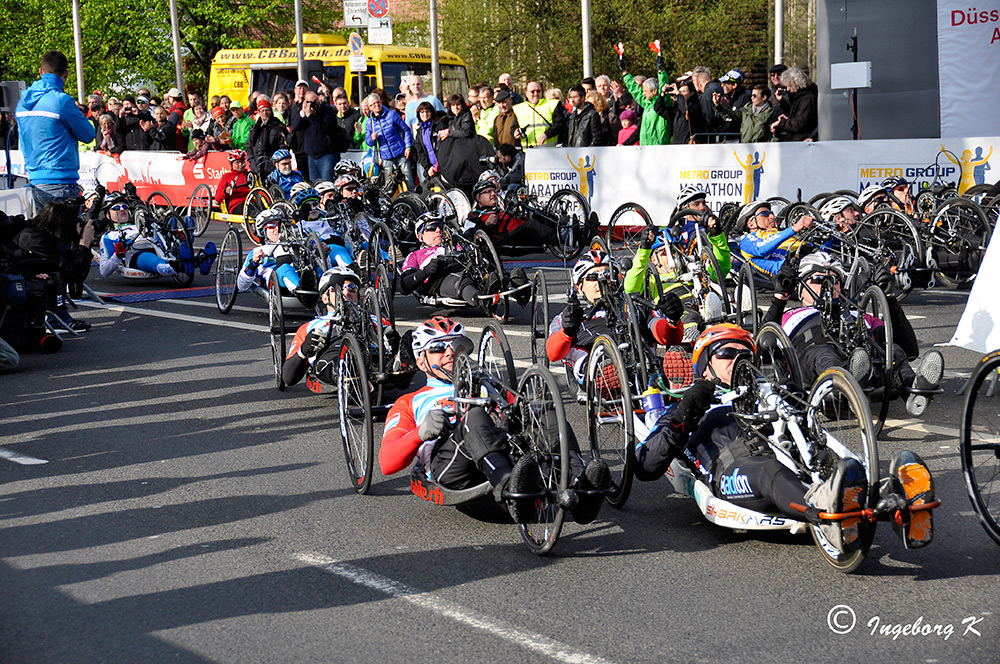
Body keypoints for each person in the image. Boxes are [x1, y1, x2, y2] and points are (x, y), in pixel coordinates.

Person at [632, 324, 937, 554]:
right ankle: (825, 511)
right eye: (727, 353)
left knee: (844, 466)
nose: (738, 361)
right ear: (705, 364)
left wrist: (798, 399)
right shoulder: (686, 405)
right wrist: (685, 413)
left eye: (745, 355)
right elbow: (646, 465)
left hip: (794, 457)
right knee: (767, 471)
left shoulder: (765, 393)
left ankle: (900, 501)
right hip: (733, 470)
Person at [380, 316, 611, 525]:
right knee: (474, 414)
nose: (450, 352)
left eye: (456, 345)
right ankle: (507, 486)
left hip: (504, 451)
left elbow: (520, 414)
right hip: (453, 467)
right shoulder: (410, 402)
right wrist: (420, 432)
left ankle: (580, 486)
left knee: (542, 411)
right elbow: (386, 463)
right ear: (422, 362)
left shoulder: (488, 385)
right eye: (438, 348)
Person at [765, 252, 944, 417]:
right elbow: (763, 350)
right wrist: (779, 297)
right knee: (825, 352)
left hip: (864, 365)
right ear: (801, 288)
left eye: (834, 280)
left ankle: (915, 389)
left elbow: (909, 349)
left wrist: (889, 296)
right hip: (812, 368)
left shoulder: (858, 314)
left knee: (893, 350)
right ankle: (847, 386)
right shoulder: (788, 316)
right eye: (818, 279)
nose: (827, 285)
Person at [547, 249, 684, 387]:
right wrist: (567, 332)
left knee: (673, 360)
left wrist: (673, 319)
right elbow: (553, 354)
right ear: (579, 286)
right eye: (592, 277)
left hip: (643, 365)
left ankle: (673, 391)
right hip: (596, 367)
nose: (601, 281)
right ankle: (611, 381)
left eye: (607, 274)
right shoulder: (568, 317)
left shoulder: (635, 307)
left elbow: (667, 336)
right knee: (607, 366)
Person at [15, 51, 96, 206]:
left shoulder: (22, 102)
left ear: (40, 71)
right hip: (60, 181)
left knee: (40, 230)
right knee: (65, 231)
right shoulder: (62, 101)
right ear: (66, 74)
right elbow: (88, 134)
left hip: (34, 180)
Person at [12, 201, 95, 332]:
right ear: (61, 225)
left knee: (54, 272)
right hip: (19, 280)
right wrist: (84, 243)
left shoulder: (43, 234)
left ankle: (58, 316)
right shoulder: (36, 240)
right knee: (53, 276)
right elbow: (74, 273)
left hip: (23, 274)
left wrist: (75, 245)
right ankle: (54, 319)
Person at [398, 212, 504, 313]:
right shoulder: (415, 255)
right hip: (441, 278)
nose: (438, 230)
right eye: (432, 228)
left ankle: (515, 284)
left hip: (468, 268)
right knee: (459, 280)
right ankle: (483, 301)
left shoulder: (457, 242)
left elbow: (473, 232)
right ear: (421, 236)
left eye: (440, 226)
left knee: (487, 262)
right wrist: (425, 271)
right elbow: (404, 286)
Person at [466, 177, 557, 258]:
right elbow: (467, 236)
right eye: (488, 192)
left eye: (494, 191)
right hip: (505, 241)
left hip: (521, 233)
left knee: (543, 216)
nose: (493, 194)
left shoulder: (500, 209)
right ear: (478, 197)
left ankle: (564, 229)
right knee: (531, 224)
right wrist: (485, 224)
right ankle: (560, 238)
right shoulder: (474, 215)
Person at [237, 208, 314, 299]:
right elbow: (241, 285)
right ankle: (303, 293)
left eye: (280, 225)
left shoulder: (294, 244)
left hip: (303, 274)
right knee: (285, 268)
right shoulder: (259, 251)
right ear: (263, 231)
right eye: (272, 225)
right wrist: (253, 264)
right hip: (278, 283)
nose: (277, 229)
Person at [739, 202, 814, 277]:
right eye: (765, 213)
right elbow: (761, 249)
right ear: (751, 224)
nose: (772, 216)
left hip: (811, 253)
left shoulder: (781, 233)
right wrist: (793, 228)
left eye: (771, 213)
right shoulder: (747, 240)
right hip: (792, 267)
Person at [618, 47, 672, 145]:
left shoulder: (663, 103)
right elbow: (635, 90)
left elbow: (663, 84)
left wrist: (660, 70)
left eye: (646, 91)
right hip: (645, 148)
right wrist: (624, 72)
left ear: (655, 91)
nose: (643, 94)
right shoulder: (646, 103)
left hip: (660, 148)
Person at [291, 90, 346, 183]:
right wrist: (302, 113)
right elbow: (296, 127)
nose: (317, 102)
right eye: (313, 101)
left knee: (328, 184)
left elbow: (323, 128)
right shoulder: (306, 113)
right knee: (315, 186)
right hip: (312, 156)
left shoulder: (327, 110)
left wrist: (311, 116)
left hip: (327, 155)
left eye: (317, 99)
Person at [365, 93, 414, 189]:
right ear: (370, 107)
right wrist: (372, 138)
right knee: (389, 187)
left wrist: (408, 146)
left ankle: (413, 201)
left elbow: (406, 130)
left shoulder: (392, 114)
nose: (377, 105)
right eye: (373, 104)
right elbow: (369, 142)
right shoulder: (369, 122)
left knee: (409, 182)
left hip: (401, 153)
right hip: (386, 157)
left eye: (378, 102)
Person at [771, 67, 818, 142]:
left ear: (795, 84)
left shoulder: (808, 98)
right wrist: (782, 103)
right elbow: (797, 114)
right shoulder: (800, 97)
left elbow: (799, 123)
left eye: (789, 86)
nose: (788, 89)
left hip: (803, 140)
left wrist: (781, 123)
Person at [246, 97, 288, 177]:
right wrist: (251, 160)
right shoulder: (254, 128)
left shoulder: (278, 127)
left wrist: (276, 161)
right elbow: (249, 145)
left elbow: (283, 145)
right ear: (259, 112)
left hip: (273, 165)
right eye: (262, 111)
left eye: (267, 110)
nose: (264, 113)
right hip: (257, 165)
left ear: (271, 111)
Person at [512, 81, 563, 147]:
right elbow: (513, 127)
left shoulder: (552, 104)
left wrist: (547, 134)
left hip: (549, 151)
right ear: (526, 94)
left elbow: (560, 124)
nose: (536, 94)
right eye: (532, 92)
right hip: (528, 151)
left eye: (538, 91)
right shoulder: (518, 108)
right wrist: (515, 133)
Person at [214, 150, 253, 214]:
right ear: (232, 164)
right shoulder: (227, 177)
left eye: (242, 162)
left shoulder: (250, 175)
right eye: (237, 163)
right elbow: (217, 198)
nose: (240, 165)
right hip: (236, 205)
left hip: (252, 202)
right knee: (251, 210)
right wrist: (225, 191)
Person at [412, 101, 441, 181]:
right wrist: (428, 167)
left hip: (442, 166)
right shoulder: (419, 133)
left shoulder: (438, 126)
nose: (425, 114)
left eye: (427, 111)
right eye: (422, 112)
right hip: (430, 168)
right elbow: (420, 153)